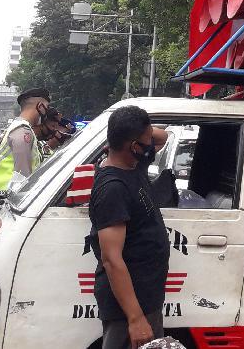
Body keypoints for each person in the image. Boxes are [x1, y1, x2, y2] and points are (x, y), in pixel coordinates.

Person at [87, 105, 171, 349]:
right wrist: (135, 318)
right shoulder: (113, 187)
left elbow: (163, 137)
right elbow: (111, 259)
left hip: (145, 298)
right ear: (134, 146)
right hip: (128, 309)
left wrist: (138, 127)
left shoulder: (134, 166)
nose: (150, 146)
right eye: (145, 142)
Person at [0, 88, 52, 213]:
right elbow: (22, 174)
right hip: (9, 198)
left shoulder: (18, 127)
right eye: (47, 107)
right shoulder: (23, 130)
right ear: (40, 106)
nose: (47, 112)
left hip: (4, 196)